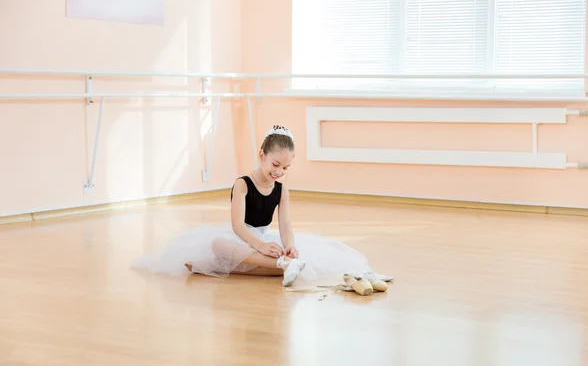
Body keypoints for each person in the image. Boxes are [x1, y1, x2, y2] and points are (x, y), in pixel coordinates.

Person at [130, 124, 392, 289]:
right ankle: (280, 266)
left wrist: (288, 244)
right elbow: (237, 225)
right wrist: (260, 246)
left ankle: (282, 264)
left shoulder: (281, 189)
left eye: (286, 168)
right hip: (242, 236)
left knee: (295, 255)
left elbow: (286, 224)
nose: (279, 172)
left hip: (265, 237)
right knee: (217, 245)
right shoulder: (242, 184)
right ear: (261, 157)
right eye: (275, 165)